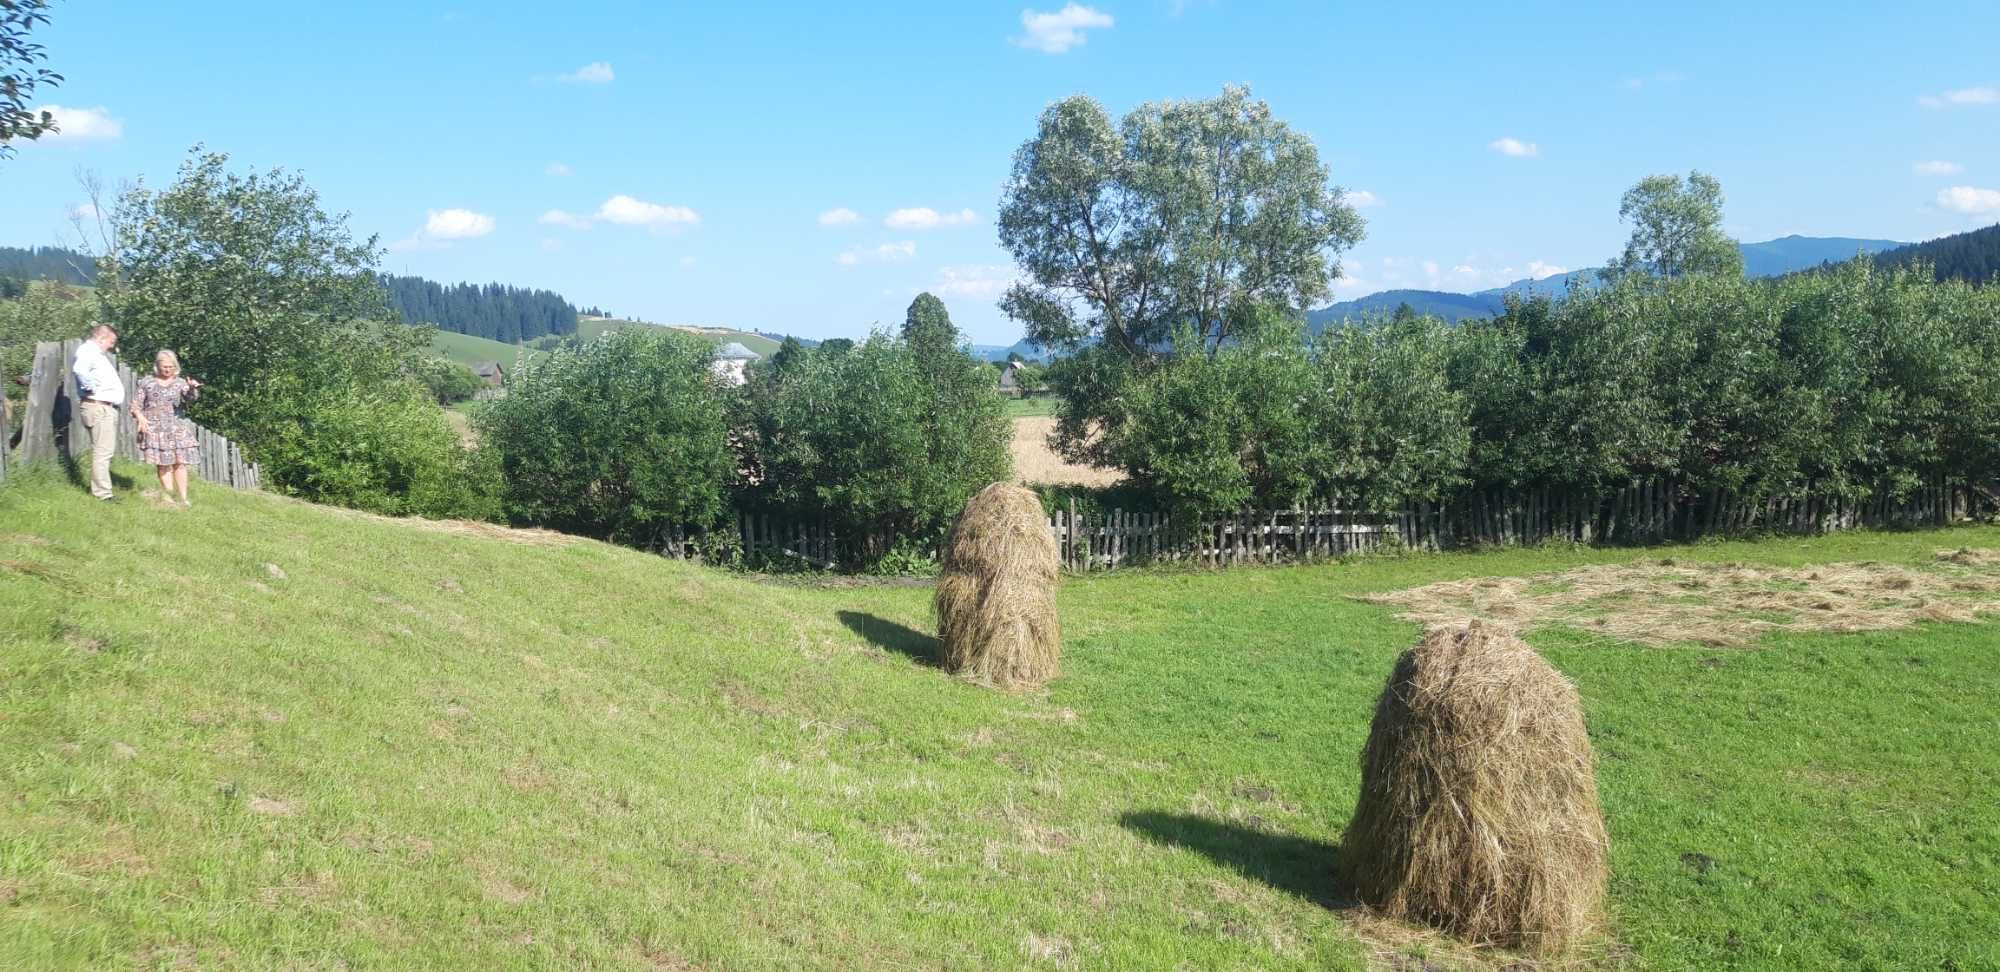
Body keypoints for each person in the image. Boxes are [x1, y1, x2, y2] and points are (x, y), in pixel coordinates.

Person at [132, 349, 203, 507]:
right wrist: (140, 417)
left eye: (171, 367)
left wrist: (193, 388)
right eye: (165, 366)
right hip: (155, 429)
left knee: (180, 462)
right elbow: (135, 404)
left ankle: (183, 499)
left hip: (175, 428)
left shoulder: (180, 383)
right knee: (163, 464)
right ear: (157, 366)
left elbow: (190, 399)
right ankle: (169, 497)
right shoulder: (147, 383)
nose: (168, 369)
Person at [71, 323, 126, 502]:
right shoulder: (88, 352)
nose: (112, 345)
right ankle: (102, 494)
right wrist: (90, 387)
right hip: (99, 406)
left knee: (104, 451)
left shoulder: (95, 354)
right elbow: (79, 370)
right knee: (102, 452)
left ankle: (103, 491)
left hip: (102, 406)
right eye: (111, 341)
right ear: (102, 338)